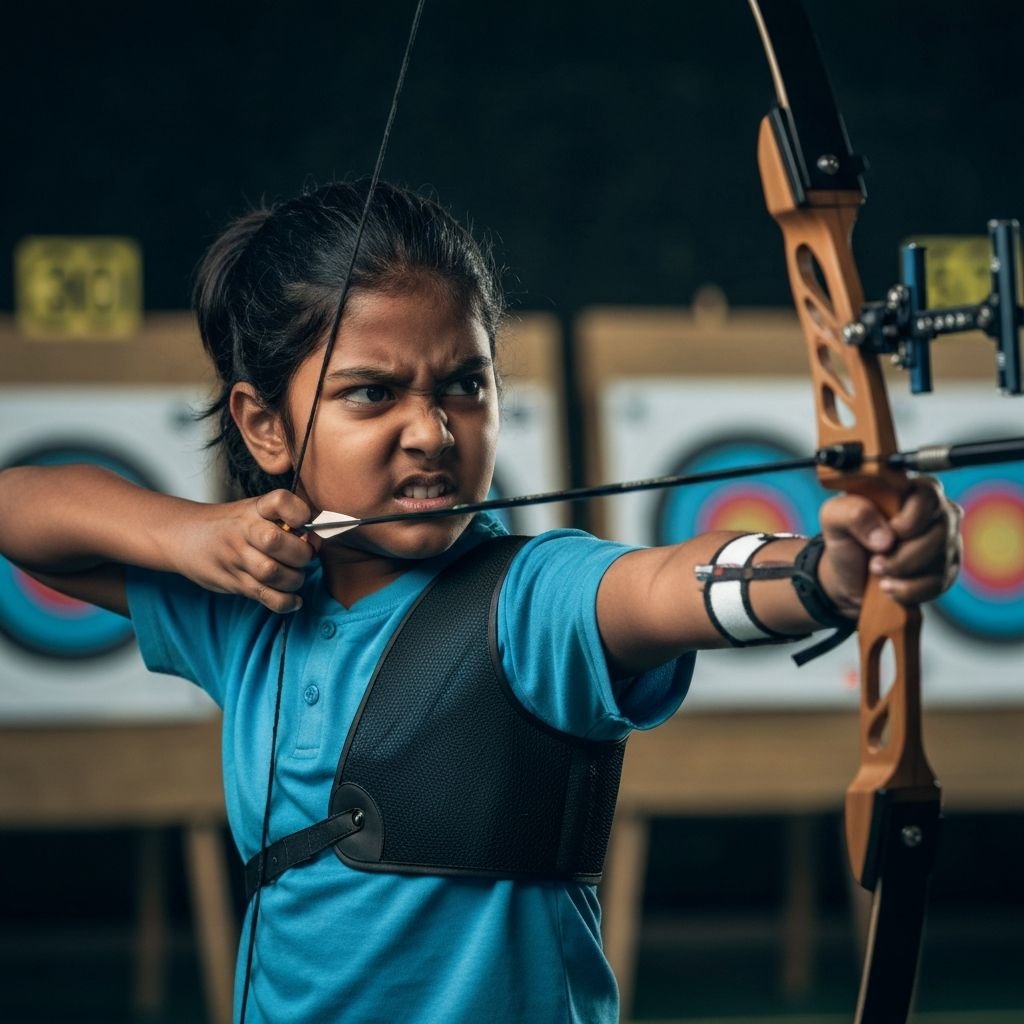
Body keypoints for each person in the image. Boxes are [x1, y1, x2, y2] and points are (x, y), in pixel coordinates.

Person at [0, 180, 961, 1023]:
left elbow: (666, 586)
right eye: (371, 394)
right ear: (264, 424)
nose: (432, 430)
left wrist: (830, 572)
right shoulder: (247, 606)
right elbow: (23, 508)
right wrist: (190, 534)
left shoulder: (531, 600)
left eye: (466, 383)